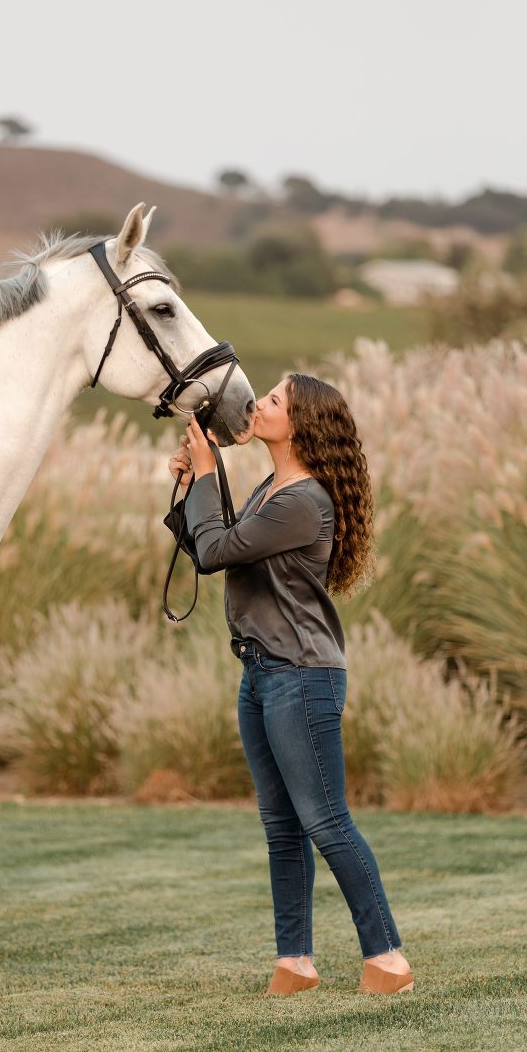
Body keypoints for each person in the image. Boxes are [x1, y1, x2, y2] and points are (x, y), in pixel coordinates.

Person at [167, 374, 413, 997]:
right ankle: (295, 963)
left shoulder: (302, 501)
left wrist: (202, 476)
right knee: (281, 826)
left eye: (273, 400)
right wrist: (196, 480)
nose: (258, 405)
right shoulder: (269, 489)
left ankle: (388, 957)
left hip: (300, 676)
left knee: (326, 821)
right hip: (261, 671)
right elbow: (213, 544)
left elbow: (217, 549)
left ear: (301, 426)